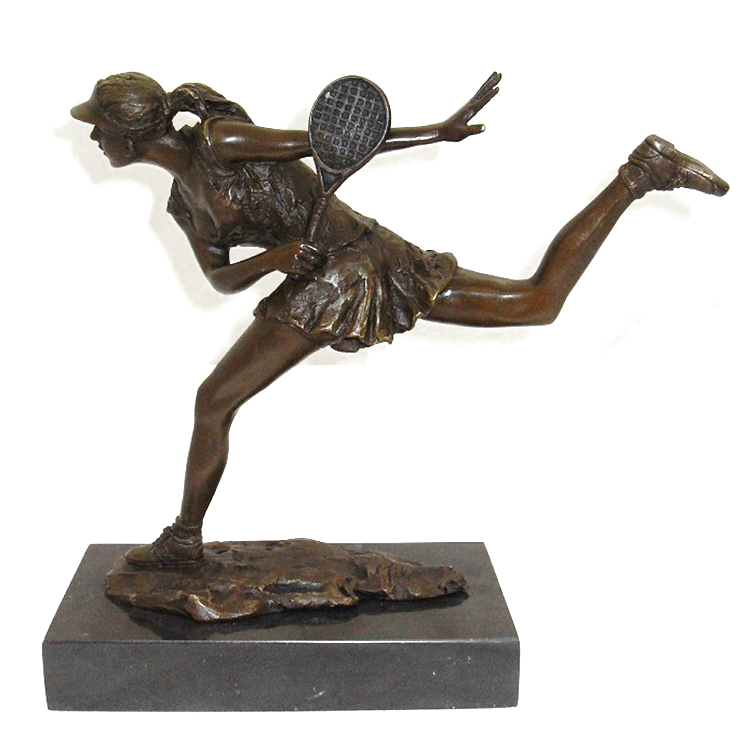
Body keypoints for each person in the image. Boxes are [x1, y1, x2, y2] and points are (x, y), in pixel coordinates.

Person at [71, 72, 729, 566]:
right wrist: (274, 257)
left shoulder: (222, 141)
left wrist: (436, 132)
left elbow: (332, 142)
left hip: (356, 261)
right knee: (214, 401)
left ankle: (641, 175)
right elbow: (219, 278)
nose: (95, 138)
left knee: (535, 303)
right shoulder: (183, 204)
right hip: (320, 274)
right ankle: (641, 174)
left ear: (134, 132)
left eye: (99, 128)